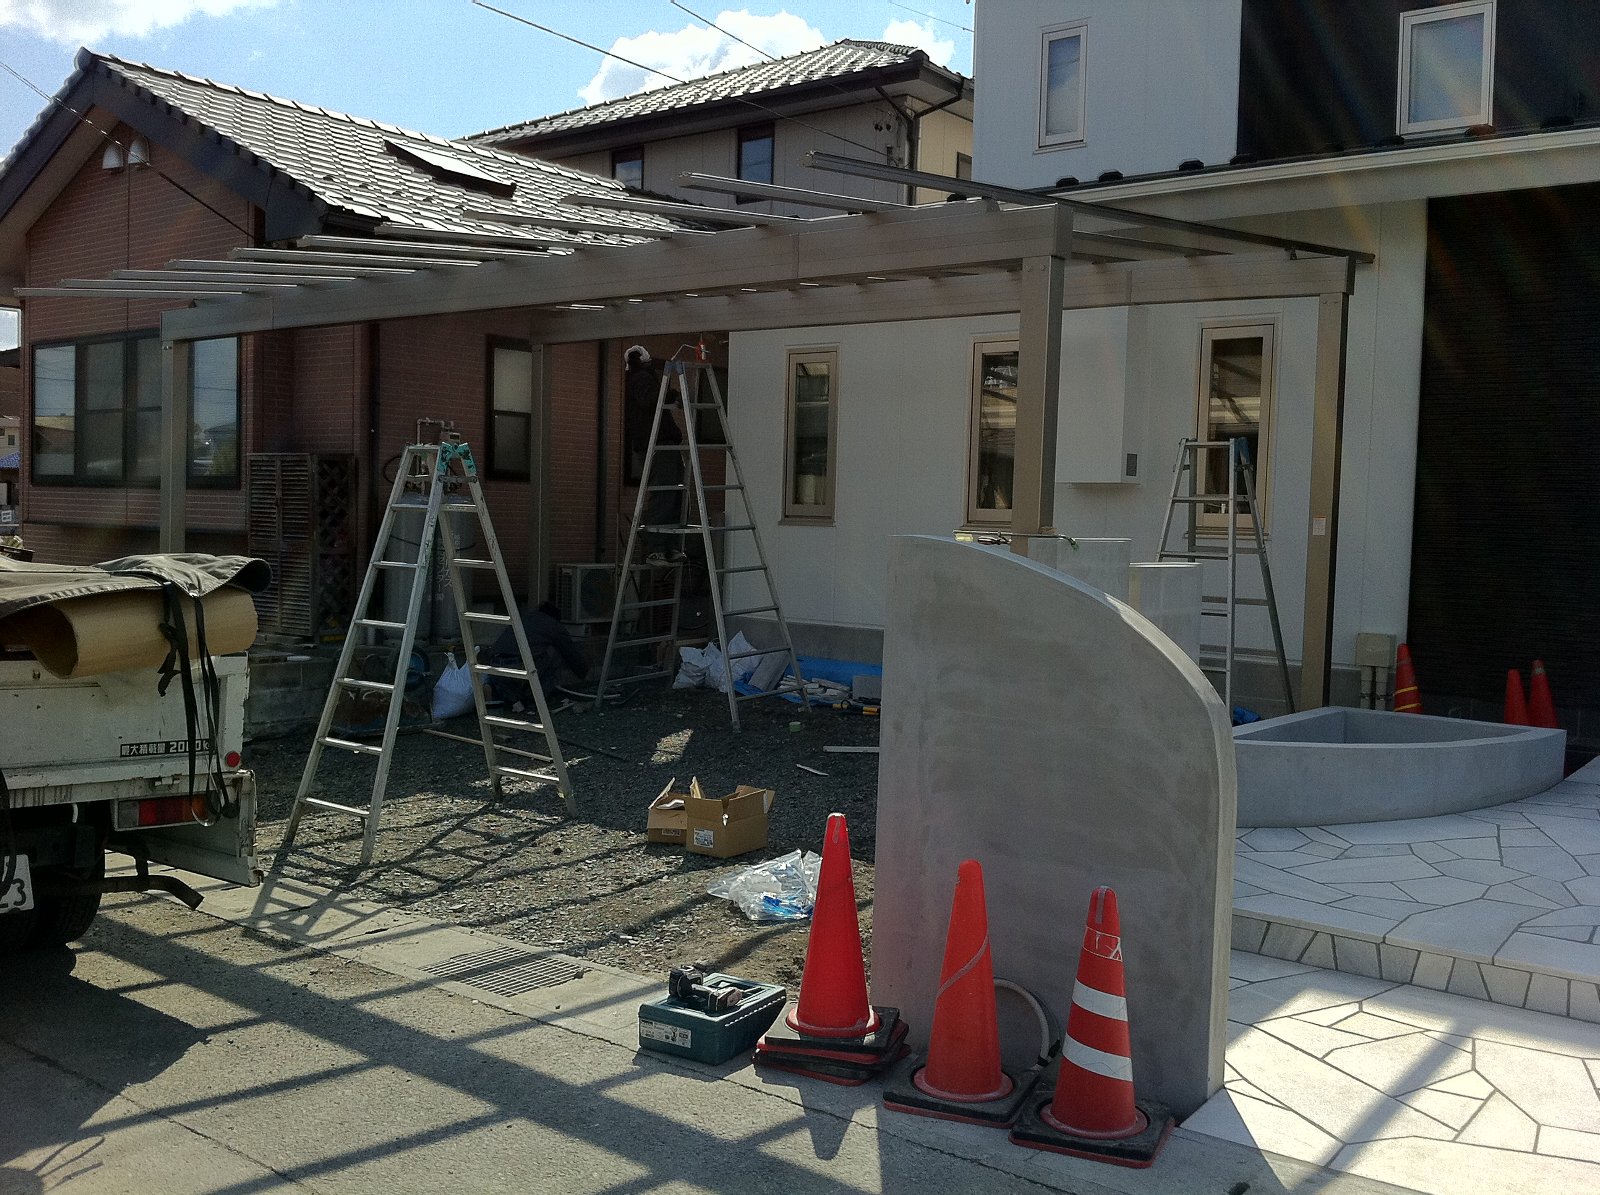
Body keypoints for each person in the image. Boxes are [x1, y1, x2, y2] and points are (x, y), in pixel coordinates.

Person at [487, 600, 589, 709]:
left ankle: (514, 700)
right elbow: (570, 653)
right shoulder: (553, 625)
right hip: (518, 666)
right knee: (555, 652)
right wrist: (583, 672)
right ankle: (535, 699)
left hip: (495, 666)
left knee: (512, 678)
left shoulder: (524, 619)